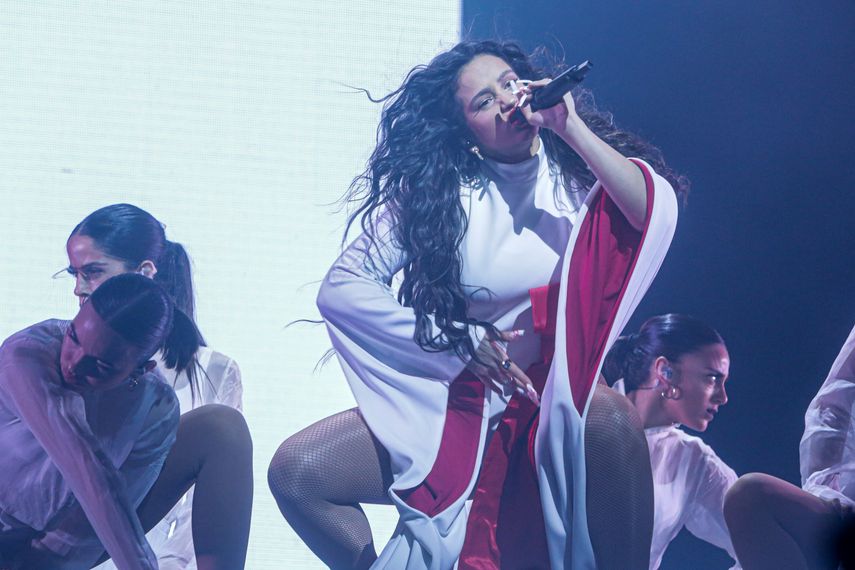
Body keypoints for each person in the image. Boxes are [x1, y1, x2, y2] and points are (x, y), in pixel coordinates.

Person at [269, 39, 681, 569]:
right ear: (466, 135)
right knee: (298, 470)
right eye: (483, 101)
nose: (507, 100)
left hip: (557, 403)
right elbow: (342, 287)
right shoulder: (434, 198)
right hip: (463, 405)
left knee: (613, 419)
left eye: (509, 83)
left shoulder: (578, 178)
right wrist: (455, 340)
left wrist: (568, 125)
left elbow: (652, 211)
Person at [62, 203, 250, 570]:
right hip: (69, 542)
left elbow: (200, 508)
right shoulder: (55, 352)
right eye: (75, 274)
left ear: (144, 272)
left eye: (93, 272)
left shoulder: (213, 370)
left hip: (157, 556)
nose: (79, 289)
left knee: (222, 428)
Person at [0, 274, 196, 569]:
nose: (74, 364)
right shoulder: (26, 354)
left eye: (102, 364)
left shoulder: (157, 409)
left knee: (219, 430)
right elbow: (82, 461)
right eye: (74, 337)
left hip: (31, 550)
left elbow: (90, 529)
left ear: (141, 370)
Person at [603, 314, 738, 569]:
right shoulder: (583, 409)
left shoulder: (694, 461)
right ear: (665, 371)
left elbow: (762, 541)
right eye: (712, 378)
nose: (723, 397)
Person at [724, 323, 855, 570]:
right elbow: (833, 405)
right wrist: (824, 493)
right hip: (839, 523)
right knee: (749, 496)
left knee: (750, 496)